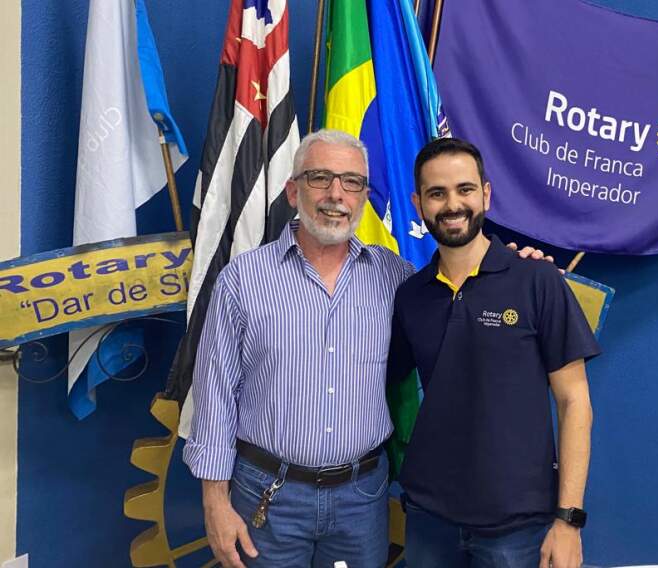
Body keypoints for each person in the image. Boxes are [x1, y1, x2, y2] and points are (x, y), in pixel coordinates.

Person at [183, 129, 549, 568]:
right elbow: (215, 396)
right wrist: (214, 502)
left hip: (361, 499)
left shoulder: (397, 280)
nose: (336, 194)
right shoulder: (243, 280)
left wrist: (517, 268)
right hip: (267, 496)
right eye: (320, 178)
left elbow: (465, 285)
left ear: (363, 196)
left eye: (352, 182)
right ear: (292, 190)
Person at [388, 137, 601, 568]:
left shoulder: (537, 281)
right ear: (418, 203)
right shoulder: (411, 296)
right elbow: (381, 380)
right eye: (437, 193)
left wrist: (568, 520)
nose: (452, 204)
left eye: (465, 189)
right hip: (429, 517)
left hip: (517, 528)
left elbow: (575, 402)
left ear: (485, 193)